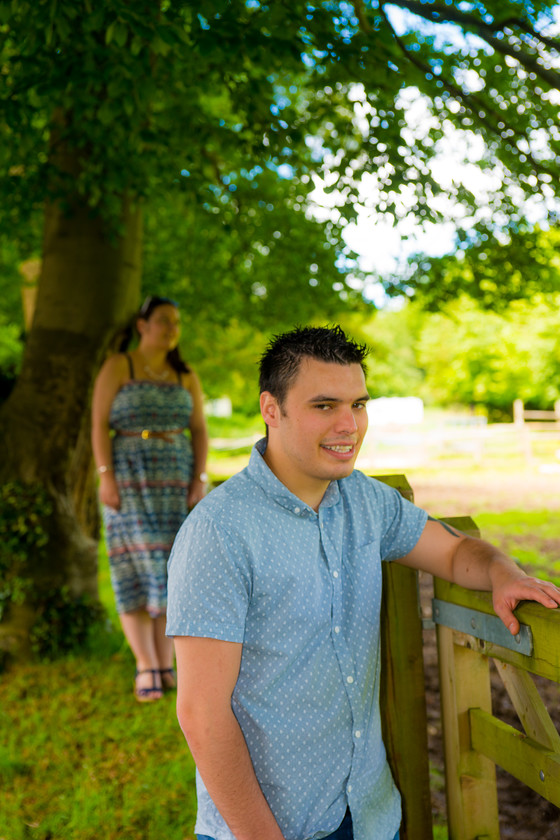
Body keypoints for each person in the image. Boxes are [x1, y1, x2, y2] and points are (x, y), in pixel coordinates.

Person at [166, 325, 560, 840]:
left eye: (359, 404)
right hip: (272, 825)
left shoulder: (365, 501)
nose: (349, 425)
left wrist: (504, 573)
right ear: (271, 409)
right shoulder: (219, 531)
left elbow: (458, 549)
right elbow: (201, 712)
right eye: (324, 405)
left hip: (373, 815)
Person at [92, 295, 209, 703]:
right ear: (142, 326)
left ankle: (166, 663)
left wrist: (199, 478)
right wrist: (106, 478)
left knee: (172, 572)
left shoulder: (185, 374)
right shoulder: (118, 366)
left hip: (175, 483)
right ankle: (145, 664)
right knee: (134, 568)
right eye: (163, 320)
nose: (171, 328)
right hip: (128, 481)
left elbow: (199, 430)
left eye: (176, 321)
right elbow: (98, 426)